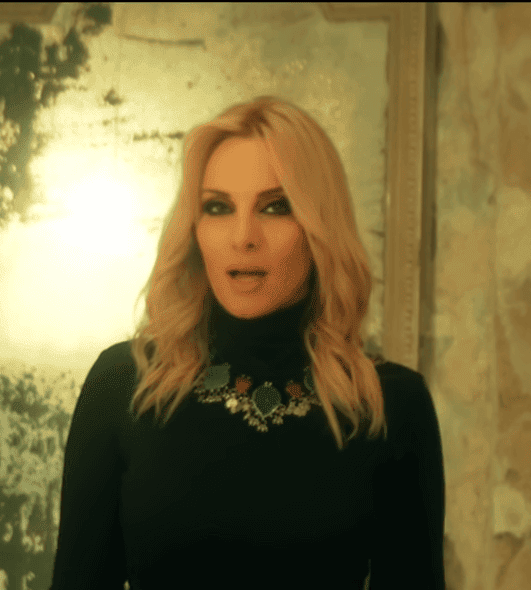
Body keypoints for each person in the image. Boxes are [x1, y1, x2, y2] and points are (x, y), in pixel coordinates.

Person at [50, 96, 445, 590]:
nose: (243, 237)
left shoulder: (392, 403)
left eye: (275, 207)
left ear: (319, 227)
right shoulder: (123, 384)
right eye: (218, 207)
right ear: (194, 229)